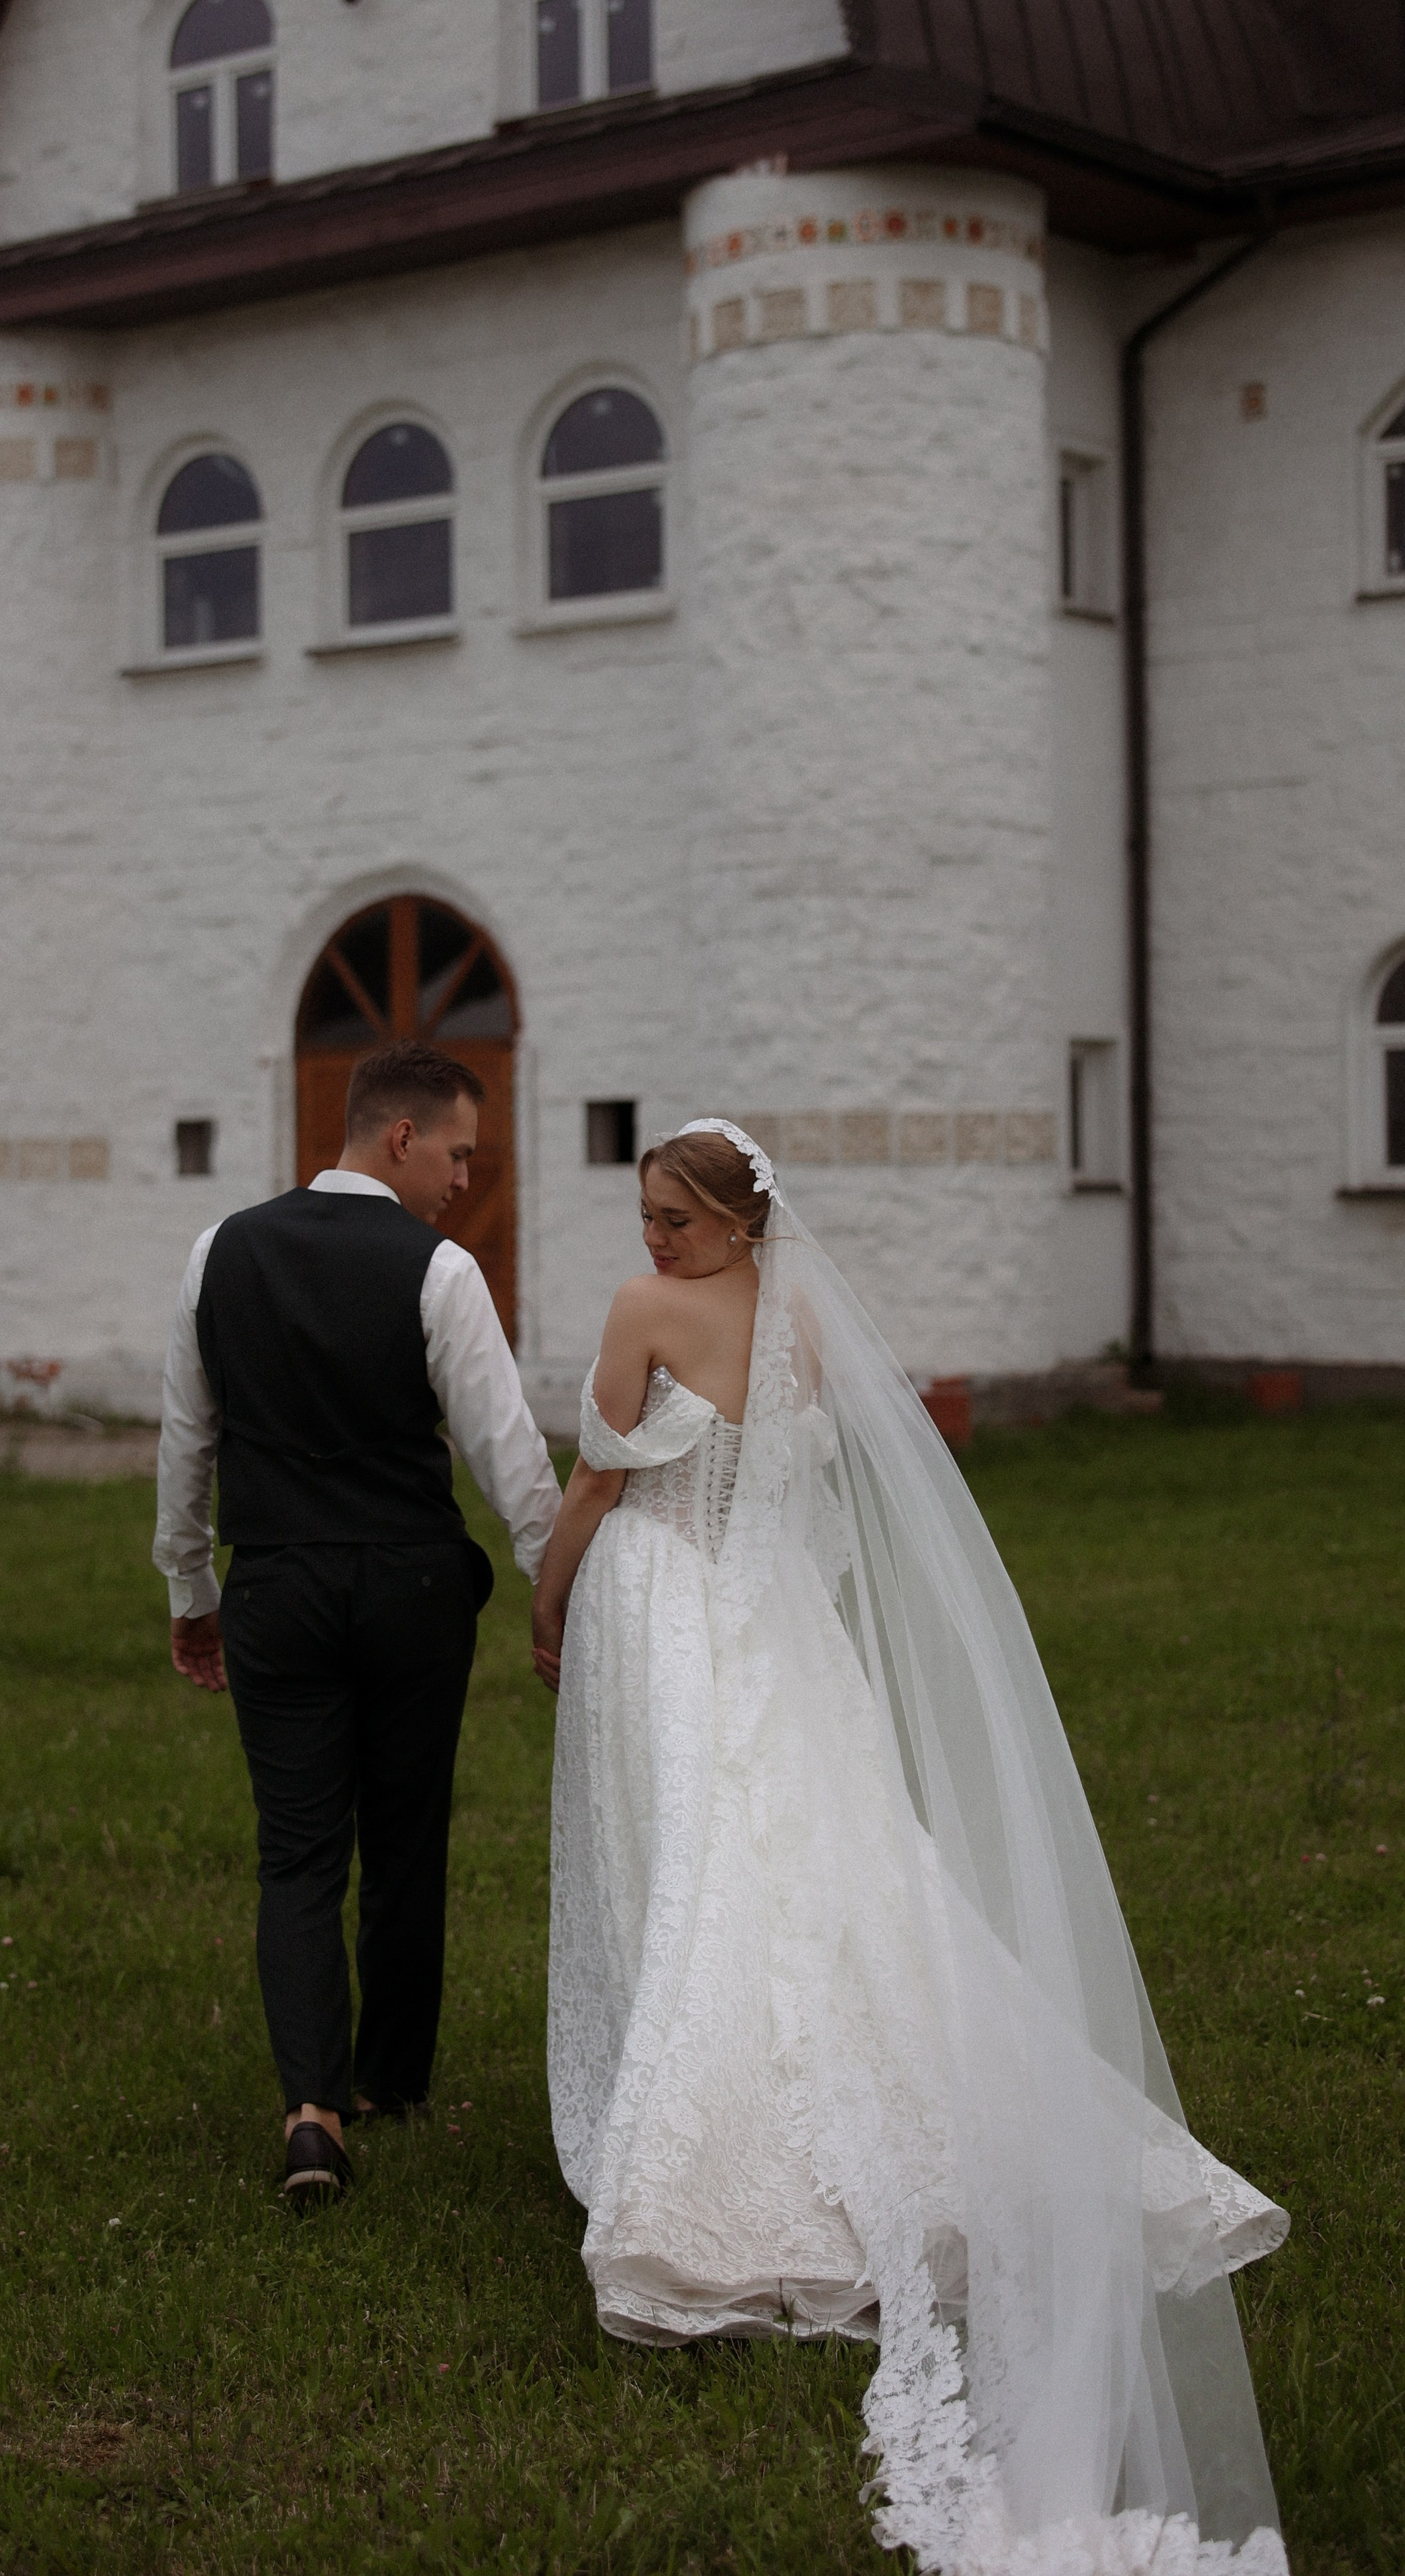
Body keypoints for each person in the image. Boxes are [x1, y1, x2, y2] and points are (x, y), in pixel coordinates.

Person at [532, 1120, 1291, 2576]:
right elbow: (806, 1490)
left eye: (675, 1220)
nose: (652, 1244)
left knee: (702, 1862)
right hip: (776, 1630)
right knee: (789, 1859)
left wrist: (545, 1605)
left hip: (668, 1612)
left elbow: (594, 1484)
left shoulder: (644, 1320)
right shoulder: (808, 1318)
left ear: (737, 1222)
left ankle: (698, 2172)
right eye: (643, 1219)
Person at [154, 1038, 560, 2208]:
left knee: (296, 1852)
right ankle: (388, 2076)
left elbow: (188, 1441)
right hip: (409, 1592)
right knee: (404, 1838)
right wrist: (558, 1591)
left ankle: (313, 2109)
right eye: (459, 1152)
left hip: (275, 1587)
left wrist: (193, 1594)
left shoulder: (215, 1253)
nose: (465, 1179)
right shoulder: (437, 1270)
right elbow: (508, 1456)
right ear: (400, 1137)